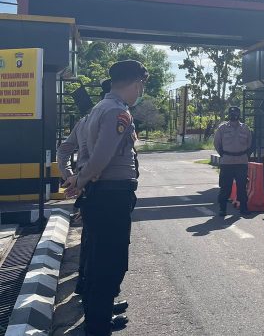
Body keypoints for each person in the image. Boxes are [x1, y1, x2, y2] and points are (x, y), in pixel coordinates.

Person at [64, 60, 146, 336]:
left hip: (103, 195)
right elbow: (101, 156)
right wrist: (80, 181)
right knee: (109, 262)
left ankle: (97, 319)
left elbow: (91, 154)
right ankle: (98, 327)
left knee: (99, 259)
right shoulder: (117, 112)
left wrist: (81, 180)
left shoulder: (101, 108)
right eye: (141, 85)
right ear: (136, 83)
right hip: (111, 197)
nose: (140, 91)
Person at [57, 79, 112, 297]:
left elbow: (63, 151)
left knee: (90, 241)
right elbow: (99, 160)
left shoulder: (84, 121)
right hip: (103, 189)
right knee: (102, 246)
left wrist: (71, 177)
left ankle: (84, 286)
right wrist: (77, 180)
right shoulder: (107, 120)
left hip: (87, 188)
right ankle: (96, 297)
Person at [214, 106, 252, 216]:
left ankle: (243, 208)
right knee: (225, 187)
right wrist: (223, 154)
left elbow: (249, 144)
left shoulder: (245, 128)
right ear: (229, 115)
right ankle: (222, 209)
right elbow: (217, 143)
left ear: (239, 115)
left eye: (235, 113)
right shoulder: (222, 128)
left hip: (241, 161)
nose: (233, 115)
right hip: (227, 162)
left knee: (242, 186)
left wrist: (245, 155)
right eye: (231, 113)